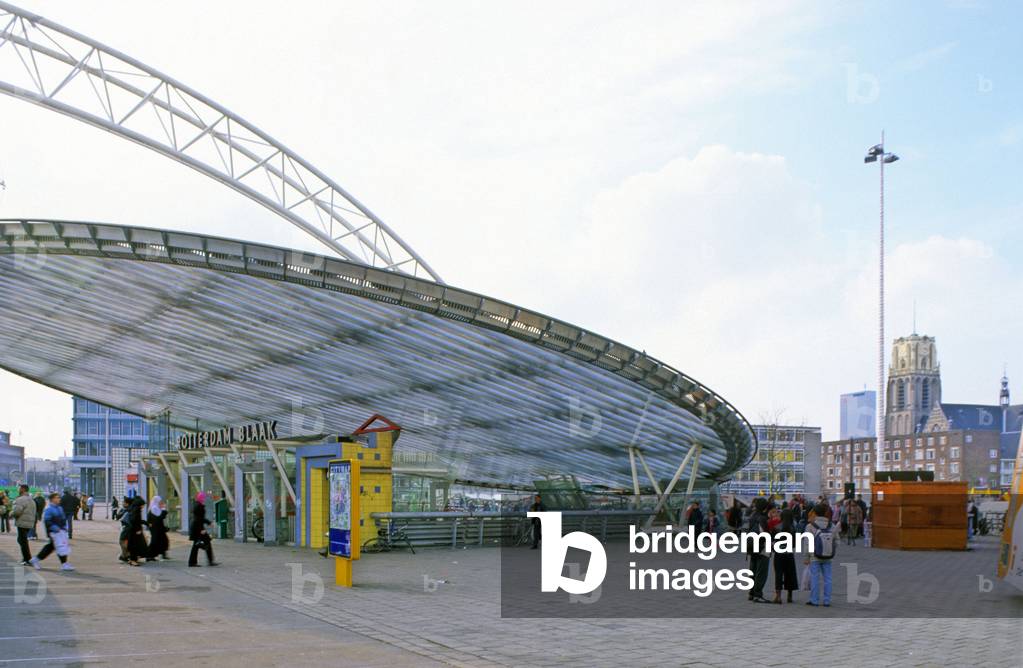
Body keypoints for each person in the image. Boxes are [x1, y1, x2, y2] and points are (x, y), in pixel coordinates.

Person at [29, 492, 74, 571]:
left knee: (54, 546)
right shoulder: (49, 509)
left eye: (59, 497)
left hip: (60, 531)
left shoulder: (59, 508)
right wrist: (54, 528)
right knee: (58, 546)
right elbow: (47, 521)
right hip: (53, 532)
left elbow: (63, 519)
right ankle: (63, 564)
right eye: (57, 497)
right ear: (52, 499)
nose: (59, 499)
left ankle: (36, 559)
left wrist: (64, 527)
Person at [805, 503, 836, 607]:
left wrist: (807, 556)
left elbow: (807, 543)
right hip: (828, 556)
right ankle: (827, 600)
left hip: (815, 556)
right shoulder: (831, 525)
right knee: (828, 578)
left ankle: (814, 600)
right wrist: (830, 549)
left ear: (815, 513)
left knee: (815, 578)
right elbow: (837, 541)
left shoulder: (810, 526)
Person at [771, 508, 799, 603]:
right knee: (790, 574)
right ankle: (789, 596)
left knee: (778, 574)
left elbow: (773, 541)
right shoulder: (793, 528)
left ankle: (778, 596)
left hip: (779, 554)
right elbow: (795, 544)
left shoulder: (776, 527)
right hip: (789, 553)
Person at [747, 497, 771, 603]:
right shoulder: (763, 518)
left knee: (753, 570)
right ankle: (758, 594)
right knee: (761, 572)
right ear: (765, 508)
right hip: (762, 548)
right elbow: (764, 534)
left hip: (751, 547)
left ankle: (751, 593)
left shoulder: (752, 516)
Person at [188, 492, 218, 567]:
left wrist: (208, 523)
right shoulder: (199, 506)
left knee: (197, 544)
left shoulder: (198, 505)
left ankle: (193, 562)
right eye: (203, 498)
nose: (204, 499)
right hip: (198, 528)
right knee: (201, 543)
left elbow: (200, 518)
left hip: (196, 527)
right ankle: (208, 561)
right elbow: (199, 519)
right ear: (200, 498)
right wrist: (202, 529)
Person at [11, 484, 36, 564]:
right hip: (29, 522)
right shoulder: (31, 499)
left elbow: (17, 511)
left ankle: (27, 559)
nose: (18, 489)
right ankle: (26, 558)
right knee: (21, 540)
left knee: (22, 541)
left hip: (22, 522)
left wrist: (10, 514)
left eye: (19, 488)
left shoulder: (20, 499)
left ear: (22, 489)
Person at [147, 496, 170, 561]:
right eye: (159, 501)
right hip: (155, 528)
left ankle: (163, 554)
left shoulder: (157, 508)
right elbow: (160, 517)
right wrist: (163, 509)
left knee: (163, 540)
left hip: (159, 528)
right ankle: (150, 556)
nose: (161, 502)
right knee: (155, 541)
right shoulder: (154, 508)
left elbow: (161, 517)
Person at [127, 496, 149, 565]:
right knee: (135, 545)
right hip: (134, 530)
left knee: (133, 544)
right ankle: (133, 560)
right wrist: (138, 529)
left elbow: (136, 520)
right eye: (143, 505)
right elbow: (134, 520)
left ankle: (132, 559)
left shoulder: (133, 508)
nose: (143, 506)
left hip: (132, 530)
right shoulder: (136, 510)